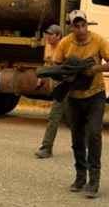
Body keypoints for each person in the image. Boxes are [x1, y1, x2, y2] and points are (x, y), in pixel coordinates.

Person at [53, 10, 109, 199]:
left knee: (94, 134)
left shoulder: (98, 40)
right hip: (74, 97)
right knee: (77, 138)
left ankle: (94, 179)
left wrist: (96, 69)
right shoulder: (65, 43)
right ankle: (80, 176)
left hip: (96, 94)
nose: (81, 30)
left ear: (87, 25)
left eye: (83, 25)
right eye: (76, 26)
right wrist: (67, 75)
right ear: (71, 27)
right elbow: (57, 66)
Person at [34, 24, 69, 159]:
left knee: (53, 117)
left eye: (51, 34)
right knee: (74, 118)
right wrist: (42, 77)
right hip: (54, 87)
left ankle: (46, 147)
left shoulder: (65, 48)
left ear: (58, 36)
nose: (48, 36)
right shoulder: (47, 47)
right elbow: (47, 64)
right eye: (47, 33)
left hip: (64, 87)